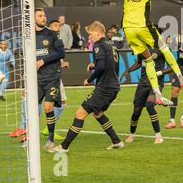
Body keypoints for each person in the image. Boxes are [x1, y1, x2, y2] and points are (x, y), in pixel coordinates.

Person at [122, 0, 183, 106]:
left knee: (148, 60)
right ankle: (180, 77)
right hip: (142, 25)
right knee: (164, 49)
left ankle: (158, 94)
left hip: (128, 28)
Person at [50, 21, 123, 153]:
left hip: (105, 88)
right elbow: (110, 64)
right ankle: (116, 141)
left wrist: (89, 79)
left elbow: (101, 67)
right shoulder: (111, 44)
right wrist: (94, 65)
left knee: (80, 113)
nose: (89, 38)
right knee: (98, 113)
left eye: (90, 35)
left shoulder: (98, 44)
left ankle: (64, 146)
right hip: (113, 87)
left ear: (98, 33)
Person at [35, 9, 66, 151]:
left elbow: (61, 53)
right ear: (33, 19)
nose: (43, 18)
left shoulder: (52, 34)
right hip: (37, 78)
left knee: (48, 107)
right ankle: (31, 139)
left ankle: (51, 140)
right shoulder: (28, 37)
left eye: (44, 16)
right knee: (33, 109)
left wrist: (43, 60)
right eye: (40, 16)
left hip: (52, 77)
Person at [121, 48, 165, 144]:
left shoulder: (161, 48)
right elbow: (139, 63)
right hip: (143, 83)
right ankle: (132, 135)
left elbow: (172, 67)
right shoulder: (142, 48)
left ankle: (158, 136)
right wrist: (128, 70)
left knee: (150, 105)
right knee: (136, 110)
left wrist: (160, 73)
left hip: (156, 83)